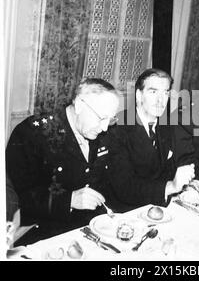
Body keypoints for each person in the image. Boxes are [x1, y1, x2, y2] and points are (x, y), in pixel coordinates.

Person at [6, 78, 120, 244]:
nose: (104, 127)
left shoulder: (102, 132)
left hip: (91, 228)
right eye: (101, 118)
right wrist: (70, 200)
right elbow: (20, 196)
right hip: (47, 233)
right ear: (80, 105)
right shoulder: (32, 134)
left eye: (110, 120)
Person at [106, 69, 195, 213]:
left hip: (158, 207)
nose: (161, 100)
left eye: (165, 92)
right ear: (139, 95)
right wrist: (171, 186)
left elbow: (174, 165)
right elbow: (125, 187)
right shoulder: (118, 128)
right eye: (153, 92)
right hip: (125, 212)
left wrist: (187, 182)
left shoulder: (167, 126)